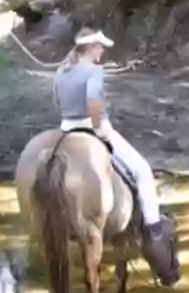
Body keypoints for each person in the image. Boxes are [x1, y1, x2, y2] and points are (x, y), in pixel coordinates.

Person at [53, 27, 166, 242]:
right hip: (93, 127)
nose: (103, 51)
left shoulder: (60, 71)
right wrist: (99, 128)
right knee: (142, 170)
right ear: (92, 48)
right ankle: (153, 225)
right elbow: (93, 100)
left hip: (66, 128)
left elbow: (57, 102)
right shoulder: (94, 71)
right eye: (101, 47)